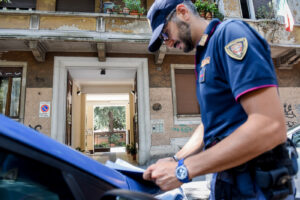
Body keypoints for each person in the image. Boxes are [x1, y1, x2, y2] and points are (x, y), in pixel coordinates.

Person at [143, 0, 298, 199]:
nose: (168, 43)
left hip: (257, 185)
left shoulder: (230, 34)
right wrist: (176, 159)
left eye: (165, 34)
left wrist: (183, 170)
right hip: (227, 182)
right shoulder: (204, 53)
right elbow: (210, 124)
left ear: (182, 12)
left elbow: (269, 126)